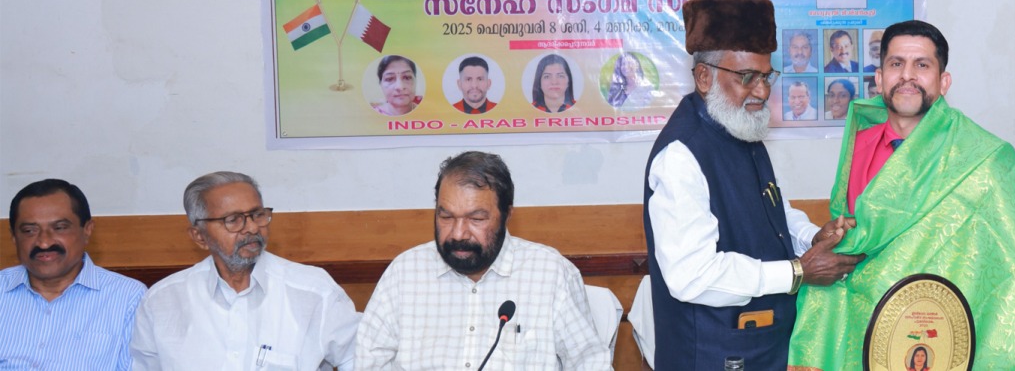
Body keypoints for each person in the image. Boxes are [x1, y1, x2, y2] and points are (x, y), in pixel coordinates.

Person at [788, 20, 1015, 370]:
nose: (907, 75)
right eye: (896, 64)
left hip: (950, 337)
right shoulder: (858, 147)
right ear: (879, 78)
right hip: (866, 335)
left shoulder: (985, 159)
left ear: (944, 81)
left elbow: (1014, 269)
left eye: (922, 65)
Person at [645, 0, 863, 369]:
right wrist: (797, 272)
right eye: (747, 77)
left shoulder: (738, 125)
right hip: (711, 356)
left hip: (762, 350)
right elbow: (691, 275)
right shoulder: (681, 156)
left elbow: (771, 208)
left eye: (765, 76)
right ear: (703, 76)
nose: (762, 91)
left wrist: (811, 238)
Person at [355, 151, 609, 370]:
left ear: (507, 215)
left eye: (476, 219)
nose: (458, 234)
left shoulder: (549, 273)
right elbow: (370, 363)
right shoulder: (404, 273)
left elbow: (590, 364)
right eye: (446, 217)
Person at [130, 171, 358, 370]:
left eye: (257, 215)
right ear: (199, 237)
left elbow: (361, 359)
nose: (251, 228)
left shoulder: (313, 291)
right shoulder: (162, 302)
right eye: (233, 220)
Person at [1, 179, 146, 369]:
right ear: (13, 236)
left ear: (87, 231)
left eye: (59, 228)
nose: (44, 242)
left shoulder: (128, 297)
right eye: (29, 231)